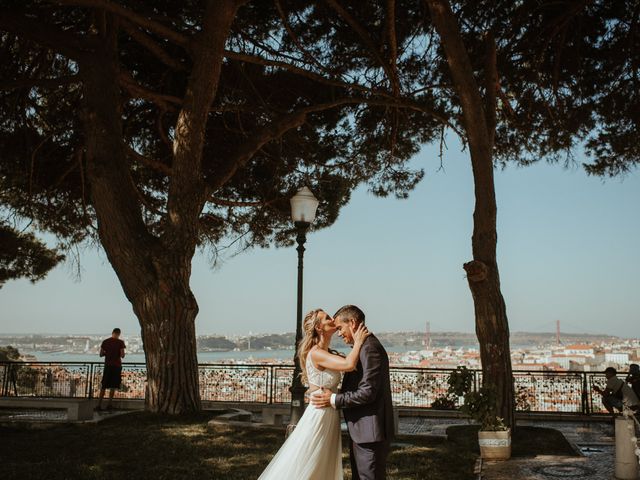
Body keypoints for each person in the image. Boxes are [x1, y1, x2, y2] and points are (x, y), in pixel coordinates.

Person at [258, 309, 370, 480]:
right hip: (319, 414)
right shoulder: (316, 353)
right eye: (327, 318)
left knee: (322, 463)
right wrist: (359, 341)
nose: (333, 319)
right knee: (309, 461)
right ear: (319, 327)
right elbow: (348, 364)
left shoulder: (328, 352)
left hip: (330, 412)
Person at [311, 305, 394, 480]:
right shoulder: (363, 347)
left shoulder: (369, 348)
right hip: (362, 431)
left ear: (353, 323)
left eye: (340, 328)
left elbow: (367, 392)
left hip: (369, 432)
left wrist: (334, 398)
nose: (339, 333)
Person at [96, 328, 126, 411]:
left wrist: (107, 353)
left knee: (104, 385)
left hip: (108, 366)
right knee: (113, 385)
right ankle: (109, 404)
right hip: (116, 366)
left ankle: (99, 405)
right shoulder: (120, 342)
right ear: (119, 334)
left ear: (112, 333)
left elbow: (101, 354)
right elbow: (122, 355)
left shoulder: (105, 342)